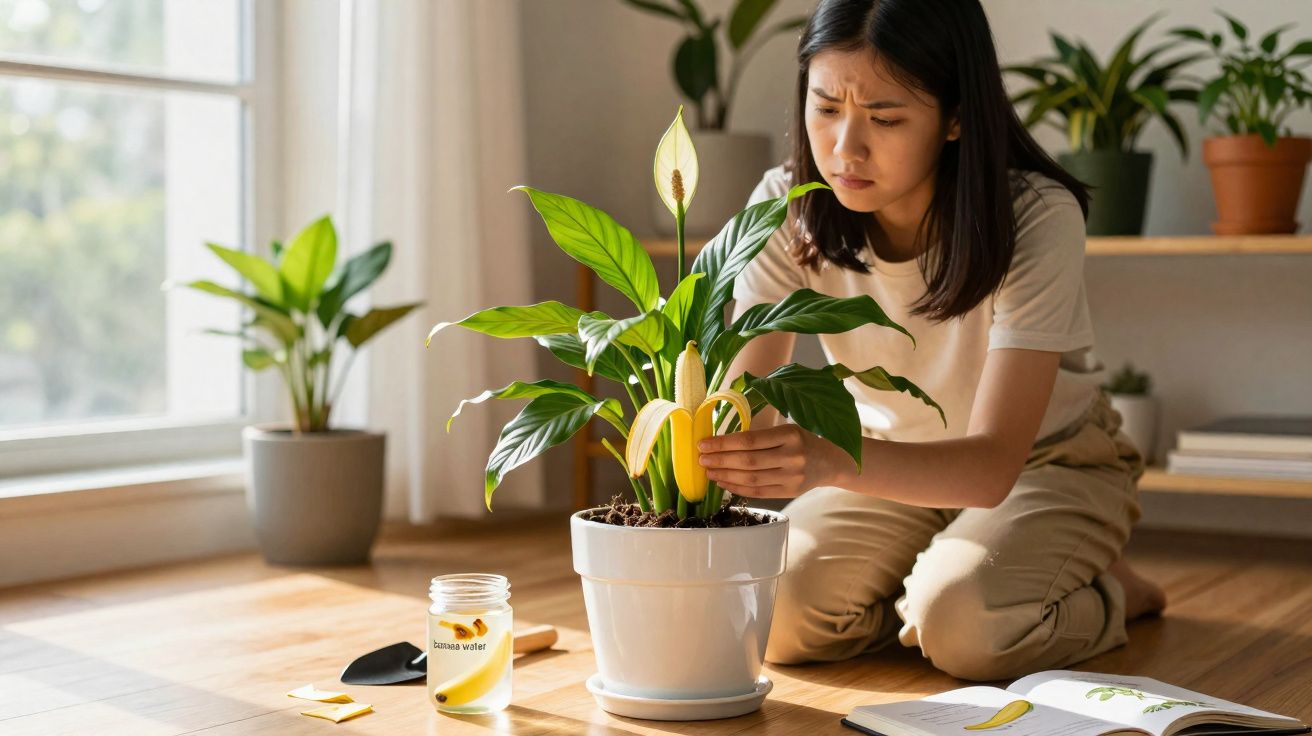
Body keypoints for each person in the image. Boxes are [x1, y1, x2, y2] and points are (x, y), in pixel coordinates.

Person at [699, 0, 1166, 682]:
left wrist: (824, 461)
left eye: (885, 118)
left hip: (1043, 465)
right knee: (774, 612)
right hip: (885, 465)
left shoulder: (1035, 216)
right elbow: (744, 411)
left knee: (964, 628)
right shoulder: (787, 207)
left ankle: (1112, 593)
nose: (845, 148)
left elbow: (991, 467)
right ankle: (941, 583)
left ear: (955, 117)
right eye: (825, 107)